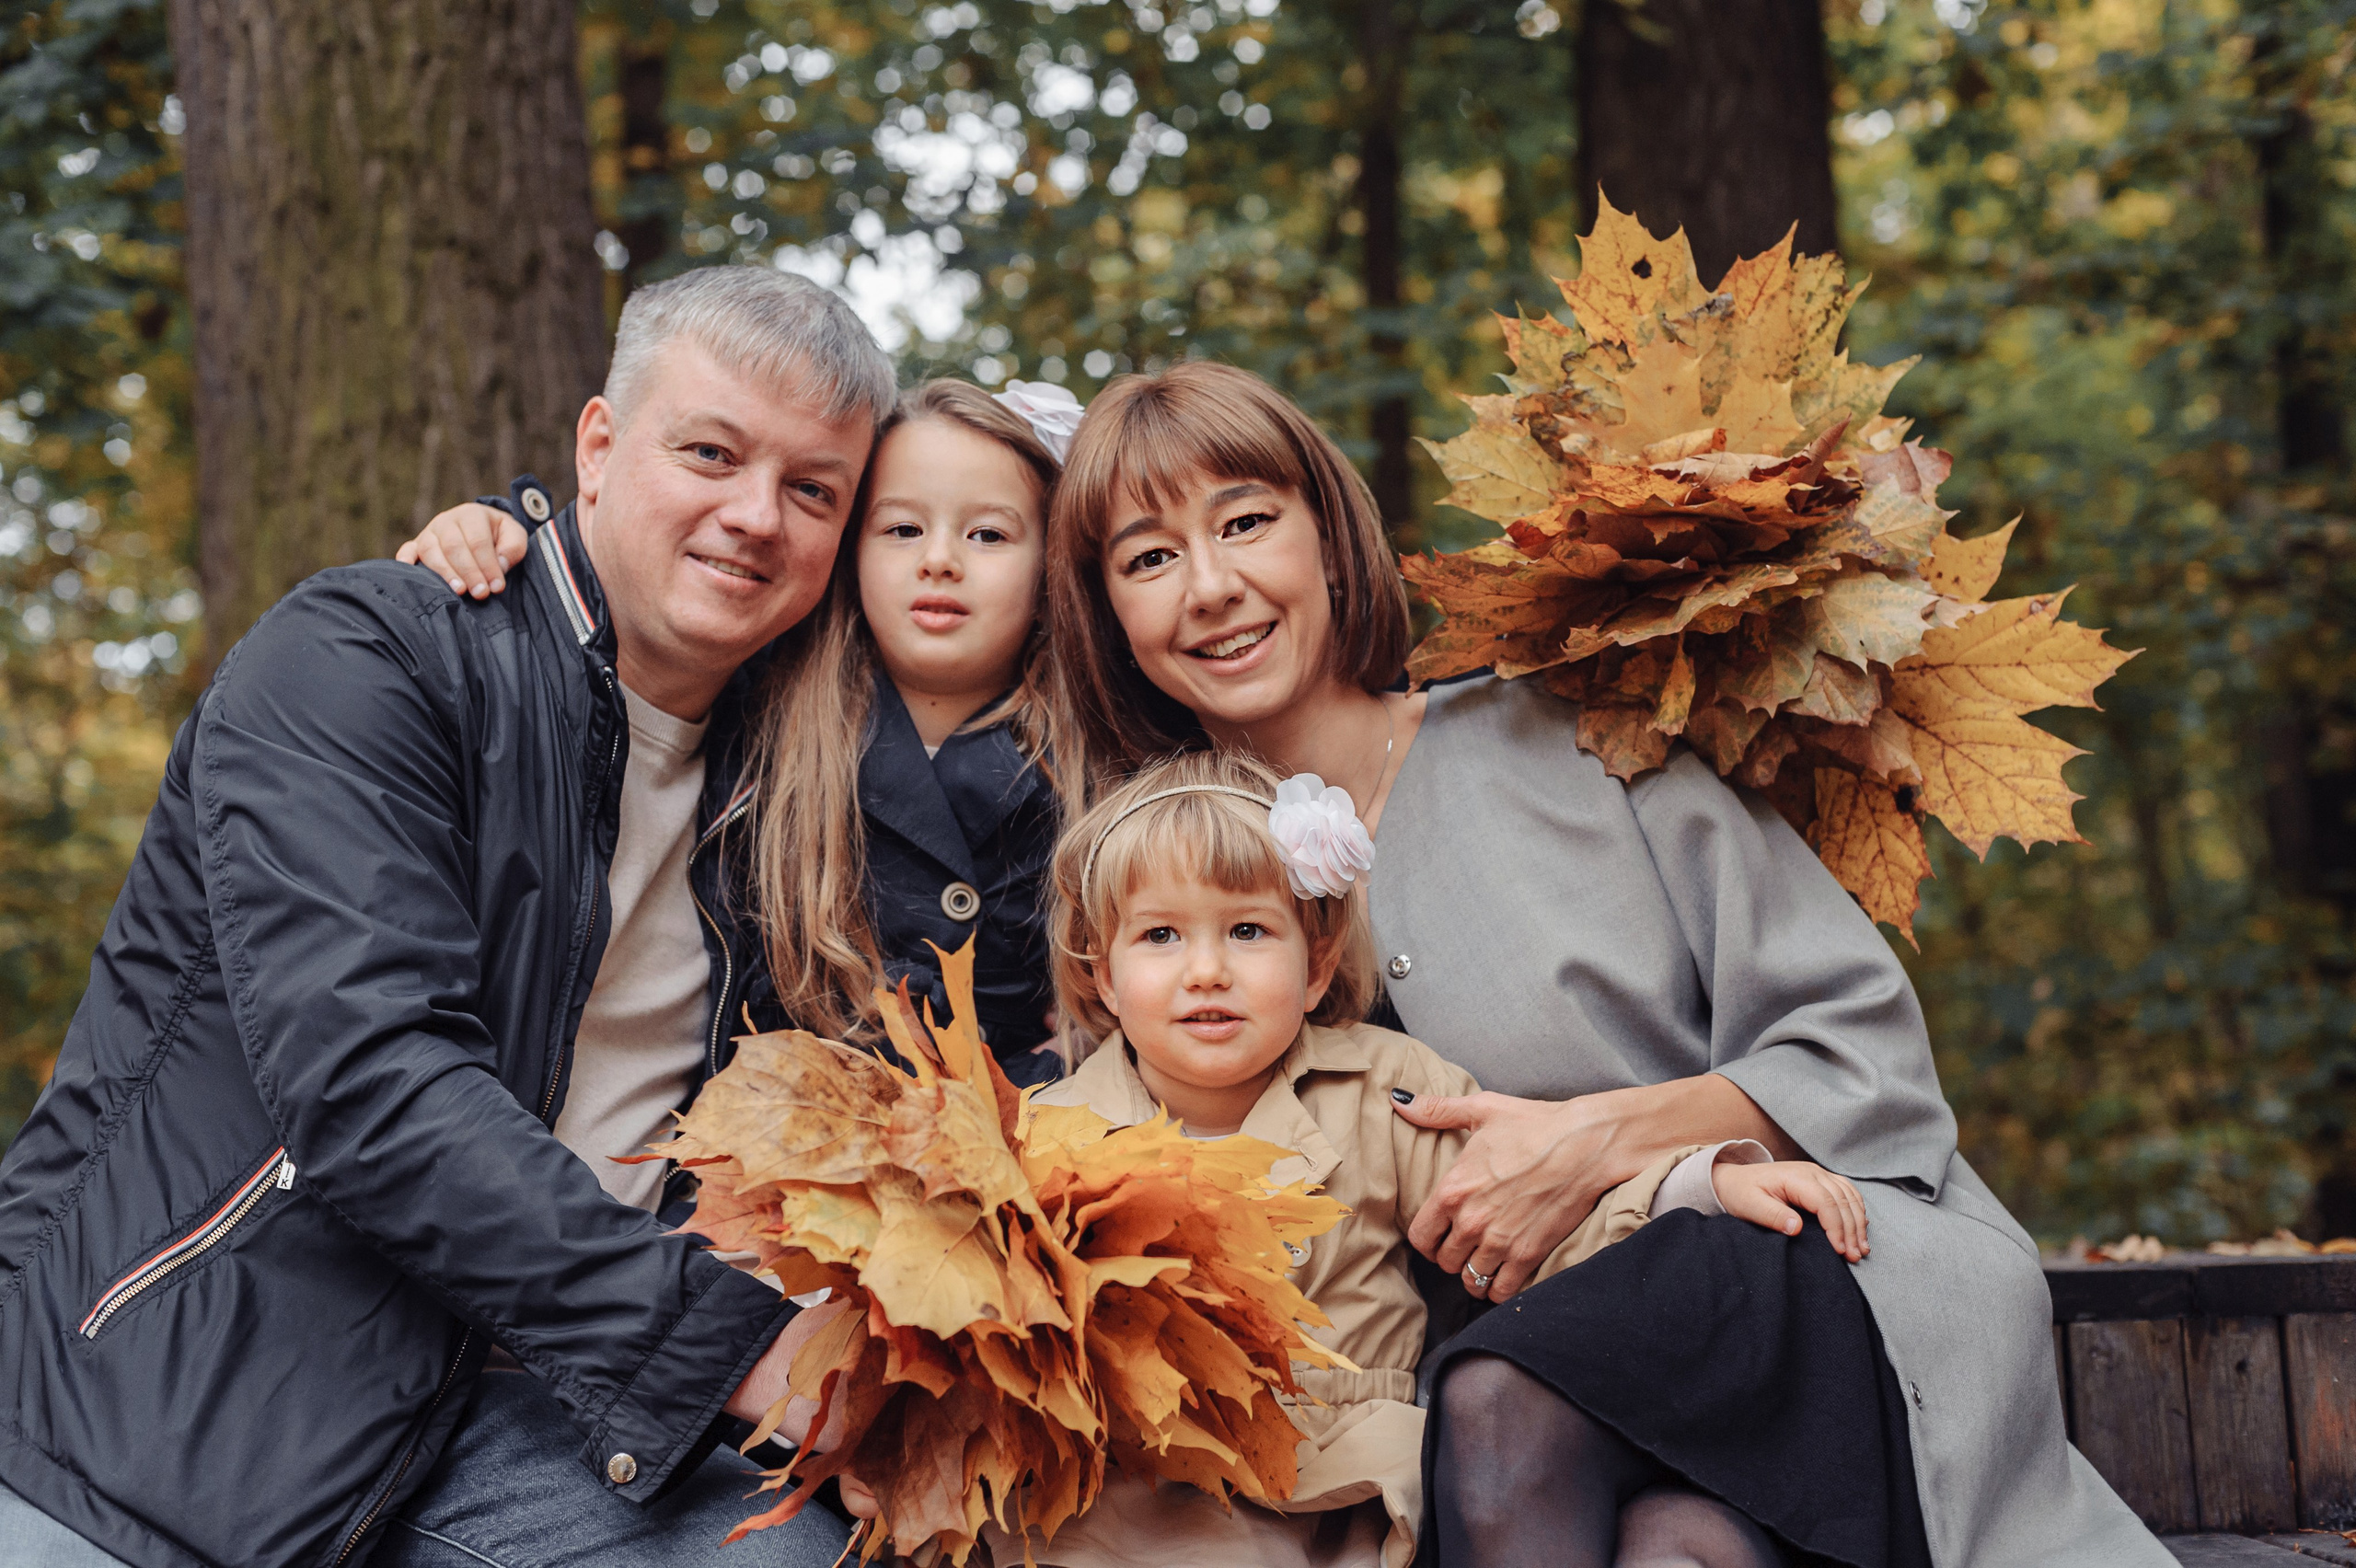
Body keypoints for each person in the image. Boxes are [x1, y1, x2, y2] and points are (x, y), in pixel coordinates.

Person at [1040, 361, 2176, 1566]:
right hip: (1540, 1416)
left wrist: (1606, 1140)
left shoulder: (1576, 733)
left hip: (1807, 1272)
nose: (1210, 587)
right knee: (1668, 1547)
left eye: (1246, 522)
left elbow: (1868, 1056)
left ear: (1329, 538)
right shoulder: (1171, 891)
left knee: (1499, 1404)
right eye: (1149, 558)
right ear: (1108, 612)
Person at [0, 267, 892, 1568]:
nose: (756, 516)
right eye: (709, 452)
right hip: (176, 1388)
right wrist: (746, 1351)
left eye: (813, 489)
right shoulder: (366, 657)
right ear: (597, 446)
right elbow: (372, 1086)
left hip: (536, 1412)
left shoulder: (798, 786)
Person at [953, 750, 1869, 1568]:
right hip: (1136, 1495)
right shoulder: (1048, 1139)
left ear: (1314, 966)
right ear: (1102, 975)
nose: (1205, 971)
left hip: (1354, 1487)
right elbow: (972, 1337)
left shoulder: (1384, 1090)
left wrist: (1702, 1183)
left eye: (1246, 932)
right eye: (1161, 936)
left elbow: (1553, 1223)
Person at [398, 378, 1087, 1083]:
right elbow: (618, 610)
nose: (940, 559)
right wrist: (501, 526)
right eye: (902, 529)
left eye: (989, 535)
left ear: (1052, 564)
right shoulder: (769, 694)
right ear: (850, 551)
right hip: (783, 1146)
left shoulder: (1090, 744)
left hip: (1022, 1142)